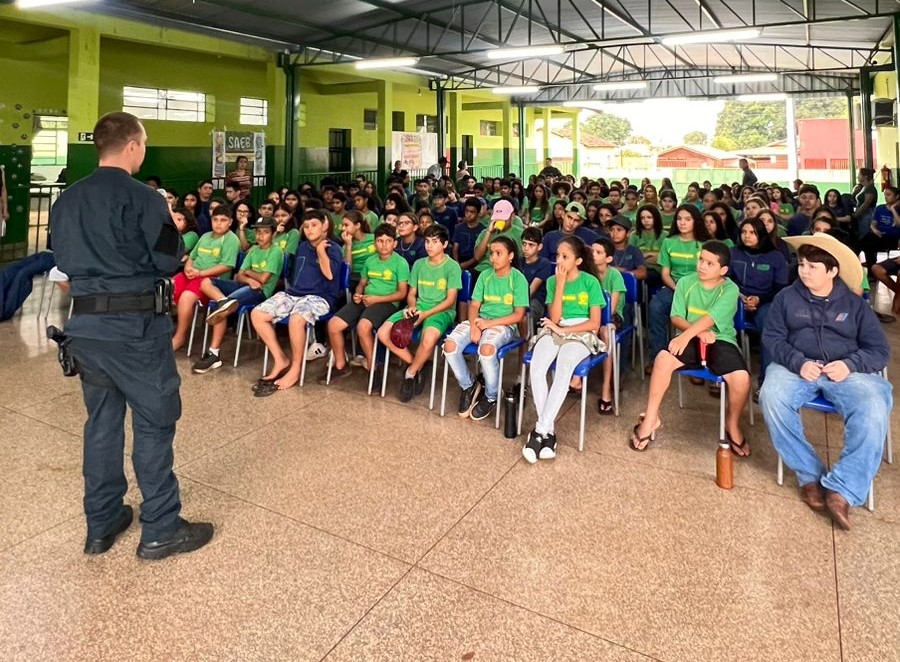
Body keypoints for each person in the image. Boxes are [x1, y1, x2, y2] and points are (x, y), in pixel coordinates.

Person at [50, 111, 213, 559]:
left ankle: (101, 524)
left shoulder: (67, 200)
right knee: (154, 421)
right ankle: (161, 526)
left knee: (101, 424)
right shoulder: (144, 198)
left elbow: (61, 259)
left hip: (84, 329)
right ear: (134, 146)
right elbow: (166, 260)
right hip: (135, 329)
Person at [760, 233, 891, 530]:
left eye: (813, 266)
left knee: (874, 404)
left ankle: (842, 488)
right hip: (798, 366)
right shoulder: (786, 298)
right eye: (802, 264)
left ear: (832, 271)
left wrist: (850, 364)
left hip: (846, 371)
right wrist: (798, 362)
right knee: (771, 395)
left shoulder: (855, 305)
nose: (804, 271)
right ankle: (810, 475)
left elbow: (879, 350)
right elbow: (773, 338)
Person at [632, 241, 751, 455]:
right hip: (691, 339)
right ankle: (651, 418)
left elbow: (711, 318)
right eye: (701, 260)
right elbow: (676, 316)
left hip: (720, 339)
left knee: (741, 378)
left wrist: (688, 335)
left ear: (723, 270)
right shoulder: (686, 282)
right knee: (662, 359)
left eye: (710, 263)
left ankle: (732, 425)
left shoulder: (730, 289)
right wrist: (694, 334)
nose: (702, 266)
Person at [522, 236, 605, 463]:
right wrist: (559, 285)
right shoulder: (552, 281)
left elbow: (594, 324)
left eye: (565, 257)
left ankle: (539, 432)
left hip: (581, 333)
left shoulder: (590, 282)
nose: (559, 260)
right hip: (555, 327)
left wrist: (567, 332)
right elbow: (555, 317)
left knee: (564, 368)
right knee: (537, 367)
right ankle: (547, 433)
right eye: (557, 255)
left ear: (578, 261)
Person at [250, 209, 343, 395]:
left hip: (320, 297)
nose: (309, 230)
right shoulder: (301, 247)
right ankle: (280, 359)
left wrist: (320, 252)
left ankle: (295, 368)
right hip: (294, 294)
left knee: (297, 319)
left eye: (314, 225)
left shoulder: (333, 248)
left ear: (325, 225)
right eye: (306, 226)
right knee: (257, 314)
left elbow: (330, 275)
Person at [445, 235, 528, 421]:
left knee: (487, 349)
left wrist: (488, 325)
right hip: (480, 320)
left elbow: (518, 315)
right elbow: (474, 305)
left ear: (511, 256)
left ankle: (491, 396)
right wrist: (474, 326)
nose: (493, 258)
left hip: (504, 325)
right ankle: (469, 385)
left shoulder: (518, 279)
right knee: (450, 346)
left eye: (499, 253)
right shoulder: (485, 275)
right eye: (492, 253)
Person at [379, 225, 462, 402]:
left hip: (441, 311)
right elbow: (411, 294)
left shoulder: (452, 267)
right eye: (427, 241)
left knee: (429, 337)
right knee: (382, 333)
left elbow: (450, 300)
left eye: (434, 242)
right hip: (418, 307)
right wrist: (412, 307)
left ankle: (409, 374)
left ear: (445, 244)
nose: (429, 246)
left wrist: (425, 314)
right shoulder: (418, 264)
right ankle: (418, 364)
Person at [192, 218, 284, 373]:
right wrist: (248, 277)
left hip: (260, 292)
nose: (260, 236)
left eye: (265, 232)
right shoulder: (253, 250)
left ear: (274, 234)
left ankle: (214, 353)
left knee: (224, 307)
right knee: (207, 282)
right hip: (245, 286)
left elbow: (263, 280)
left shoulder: (276, 251)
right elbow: (238, 276)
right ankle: (222, 301)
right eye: (258, 232)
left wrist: (247, 274)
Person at [323, 223, 409, 381]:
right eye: (380, 241)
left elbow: (402, 293)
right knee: (333, 324)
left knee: (363, 327)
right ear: (375, 243)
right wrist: (357, 294)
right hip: (365, 299)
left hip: (387, 303)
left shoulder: (400, 263)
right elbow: (362, 283)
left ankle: (373, 368)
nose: (384, 245)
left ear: (395, 243)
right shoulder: (370, 260)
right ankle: (341, 365)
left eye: (388, 241)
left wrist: (377, 299)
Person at [647, 204, 710, 373]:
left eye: (688, 219)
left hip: (700, 289)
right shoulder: (669, 242)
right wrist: (677, 289)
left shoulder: (705, 244)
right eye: (680, 219)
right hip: (673, 287)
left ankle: (696, 362)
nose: (682, 223)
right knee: (656, 307)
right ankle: (658, 357)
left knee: (699, 316)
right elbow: (665, 273)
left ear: (696, 221)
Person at [729, 217, 789, 396]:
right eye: (744, 232)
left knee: (768, 326)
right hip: (736, 298)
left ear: (761, 234)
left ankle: (765, 383)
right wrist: (740, 296)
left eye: (752, 233)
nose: (747, 236)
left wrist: (758, 299)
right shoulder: (733, 253)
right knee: (719, 322)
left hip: (765, 301)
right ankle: (725, 376)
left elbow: (781, 287)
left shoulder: (775, 256)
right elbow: (726, 279)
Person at [171, 206, 240, 351]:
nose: (218, 223)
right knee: (167, 287)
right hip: (193, 274)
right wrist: (188, 268)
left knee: (186, 298)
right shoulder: (205, 236)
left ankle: (180, 336)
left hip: (210, 280)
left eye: (223, 220)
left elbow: (226, 266)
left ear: (230, 222)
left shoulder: (232, 239)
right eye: (215, 220)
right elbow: (192, 257)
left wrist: (200, 274)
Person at [591, 236, 625, 414]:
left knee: (606, 333)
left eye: (598, 252)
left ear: (609, 258)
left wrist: (596, 323)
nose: (593, 255)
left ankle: (606, 389)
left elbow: (611, 309)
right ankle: (576, 379)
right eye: (592, 251)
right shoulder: (589, 274)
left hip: (611, 317)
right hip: (592, 316)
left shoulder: (615, 276)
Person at [858, 185, 900, 275]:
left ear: (897, 197)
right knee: (863, 242)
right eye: (885, 195)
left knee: (870, 244)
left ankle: (875, 270)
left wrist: (893, 209)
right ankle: (870, 270)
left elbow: (898, 225)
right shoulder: (880, 208)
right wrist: (875, 230)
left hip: (893, 237)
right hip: (878, 234)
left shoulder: (898, 209)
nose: (886, 197)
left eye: (888, 195)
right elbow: (873, 224)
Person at [520, 226, 554, 328]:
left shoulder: (544, 263)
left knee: (526, 313)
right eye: (524, 244)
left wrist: (515, 304)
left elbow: (532, 290)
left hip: (535, 301)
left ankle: (525, 342)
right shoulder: (518, 261)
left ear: (539, 247)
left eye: (531, 245)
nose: (526, 248)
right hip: (516, 298)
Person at [850, 167, 878, 240]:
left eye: (859, 174)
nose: (857, 176)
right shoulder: (863, 187)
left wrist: (856, 215)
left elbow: (867, 203)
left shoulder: (870, 188)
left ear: (865, 177)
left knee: (864, 236)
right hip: (862, 215)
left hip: (867, 215)